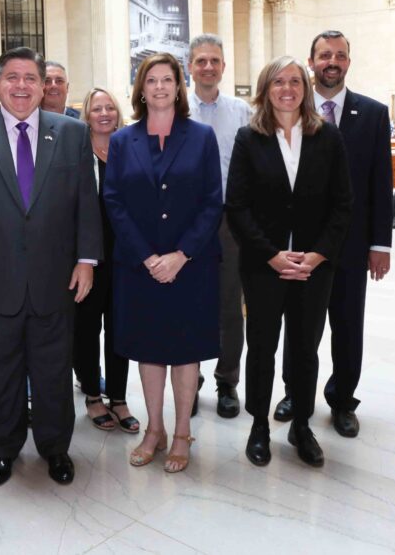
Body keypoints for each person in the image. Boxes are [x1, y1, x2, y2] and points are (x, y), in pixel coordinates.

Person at [0, 46, 101, 487]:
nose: (22, 86)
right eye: (12, 77)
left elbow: (86, 201)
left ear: (43, 84)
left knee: (53, 372)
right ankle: (5, 448)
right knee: (2, 372)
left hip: (57, 279)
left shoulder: (71, 133)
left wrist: (87, 261)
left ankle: (55, 449)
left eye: (31, 78)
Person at [226, 56, 353, 468]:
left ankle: (302, 423)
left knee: (305, 348)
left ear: (306, 87)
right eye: (278, 81)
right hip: (265, 265)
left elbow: (342, 205)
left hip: (314, 268)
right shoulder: (249, 138)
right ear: (266, 89)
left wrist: (317, 255)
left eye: (295, 81)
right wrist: (272, 255)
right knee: (262, 346)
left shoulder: (328, 138)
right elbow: (238, 207)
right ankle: (259, 424)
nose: (287, 88)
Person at [104, 52, 222, 474]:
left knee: (185, 351)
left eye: (167, 80)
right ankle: (153, 429)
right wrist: (148, 256)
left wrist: (181, 254)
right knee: (148, 350)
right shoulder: (122, 141)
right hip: (140, 266)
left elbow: (213, 201)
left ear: (178, 86)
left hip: (191, 265)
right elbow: (113, 202)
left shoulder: (202, 137)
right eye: (150, 80)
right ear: (141, 88)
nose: (159, 87)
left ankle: (182, 433)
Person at [274, 31, 394, 440]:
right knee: (300, 328)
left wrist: (381, 244)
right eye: (325, 55)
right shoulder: (289, 111)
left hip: (351, 246)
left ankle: (342, 399)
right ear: (312, 61)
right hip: (302, 247)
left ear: (348, 62)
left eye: (340, 55)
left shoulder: (374, 114)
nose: (333, 61)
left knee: (347, 326)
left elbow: (380, 183)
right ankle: (295, 394)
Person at [186, 33, 252, 419]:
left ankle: (227, 382)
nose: (208, 67)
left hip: (230, 221)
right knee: (189, 303)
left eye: (215, 60)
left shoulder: (241, 111)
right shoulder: (178, 110)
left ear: (224, 67)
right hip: (188, 221)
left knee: (230, 305)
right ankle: (188, 379)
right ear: (190, 67)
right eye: (201, 61)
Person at [74, 87, 138, 434]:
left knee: (120, 328)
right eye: (96, 108)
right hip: (88, 257)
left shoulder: (131, 148)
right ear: (87, 115)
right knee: (86, 329)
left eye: (109, 107)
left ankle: (118, 396)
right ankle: (92, 395)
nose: (104, 113)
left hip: (126, 256)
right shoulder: (77, 152)